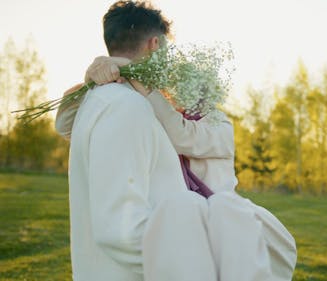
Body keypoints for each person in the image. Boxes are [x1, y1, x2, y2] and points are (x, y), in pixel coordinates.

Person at [58, 47, 297, 281]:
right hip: (186, 225)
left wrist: (135, 76)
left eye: (192, 86)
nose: (182, 93)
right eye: (179, 86)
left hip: (217, 226)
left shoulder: (220, 126)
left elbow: (182, 135)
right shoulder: (162, 114)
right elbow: (65, 124)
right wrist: (93, 79)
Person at [61, 1, 217, 280]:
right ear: (155, 44)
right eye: (167, 49)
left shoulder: (99, 99)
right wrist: (194, 266)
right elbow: (120, 230)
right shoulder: (125, 107)